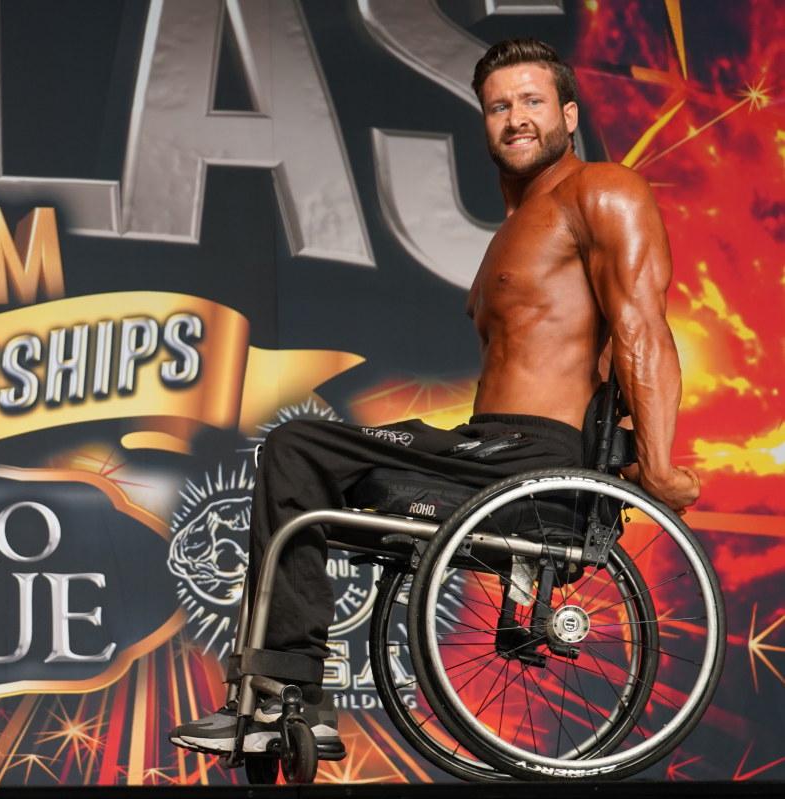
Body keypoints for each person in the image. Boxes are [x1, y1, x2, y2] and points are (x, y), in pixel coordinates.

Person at [169, 38, 699, 759]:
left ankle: (284, 696)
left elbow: (642, 326)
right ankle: (284, 701)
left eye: (533, 101)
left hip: (530, 462)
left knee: (299, 448)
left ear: (570, 114)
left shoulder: (600, 190)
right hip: (485, 449)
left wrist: (657, 466)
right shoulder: (515, 228)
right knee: (299, 451)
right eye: (499, 106)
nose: (515, 118)